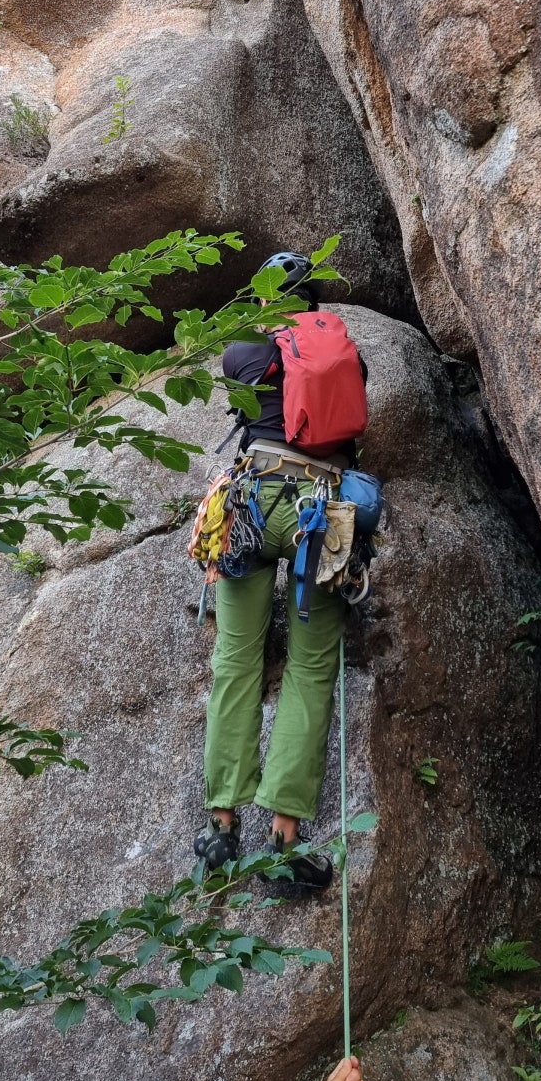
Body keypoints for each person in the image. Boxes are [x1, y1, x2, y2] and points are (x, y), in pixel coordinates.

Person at [193, 252, 367, 892]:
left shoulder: (245, 349)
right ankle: (285, 837)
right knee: (311, 665)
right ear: (316, 302)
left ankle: (221, 828)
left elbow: (240, 384)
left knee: (236, 658)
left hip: (248, 504)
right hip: (318, 513)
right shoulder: (342, 352)